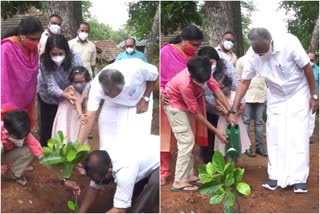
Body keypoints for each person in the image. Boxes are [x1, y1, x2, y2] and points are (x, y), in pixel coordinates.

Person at [230, 28, 318, 193]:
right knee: (274, 133)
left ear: (270, 42)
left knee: (297, 134)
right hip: (276, 95)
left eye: (263, 51)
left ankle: (298, 178)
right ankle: (275, 176)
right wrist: (234, 107)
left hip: (298, 92)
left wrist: (313, 96)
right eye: (258, 52)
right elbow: (244, 82)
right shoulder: (252, 55)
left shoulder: (289, 42)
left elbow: (307, 68)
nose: (260, 55)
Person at [163, 56, 232, 192]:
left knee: (190, 141)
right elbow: (196, 112)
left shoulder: (205, 72)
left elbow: (216, 90)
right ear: (190, 73)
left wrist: (230, 111)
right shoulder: (185, 84)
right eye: (199, 81)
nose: (202, 84)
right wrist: (216, 132)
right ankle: (178, 181)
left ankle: (188, 176)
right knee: (186, 141)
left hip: (184, 106)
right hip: (175, 107)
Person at [77, 58, 158, 150]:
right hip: (113, 104)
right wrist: (78, 146)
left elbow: (154, 76)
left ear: (123, 84)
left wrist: (145, 98)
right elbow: (90, 116)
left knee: (137, 137)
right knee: (107, 136)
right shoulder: (96, 87)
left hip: (140, 97)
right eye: (106, 92)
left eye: (112, 92)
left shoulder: (136, 69)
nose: (109, 94)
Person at [160, 25, 204, 186]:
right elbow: (159, 76)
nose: (197, 48)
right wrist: (161, 89)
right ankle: (164, 172)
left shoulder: (193, 57)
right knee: (166, 139)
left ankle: (189, 172)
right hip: (169, 99)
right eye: (194, 45)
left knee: (188, 137)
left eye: (199, 45)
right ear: (184, 41)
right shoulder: (166, 52)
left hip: (189, 101)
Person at [78, 135, 159, 213]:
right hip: (142, 158)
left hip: (158, 159)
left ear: (109, 171)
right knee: (130, 194)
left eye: (100, 180)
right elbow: (93, 189)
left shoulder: (124, 170)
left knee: (155, 183)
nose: (98, 183)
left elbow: (120, 210)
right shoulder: (101, 158)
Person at [37, 34, 83, 147]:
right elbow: (51, 86)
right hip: (48, 96)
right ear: (48, 53)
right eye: (53, 54)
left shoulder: (75, 58)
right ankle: (47, 151)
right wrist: (64, 94)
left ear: (66, 51)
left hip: (69, 94)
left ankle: (64, 148)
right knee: (48, 125)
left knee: (66, 122)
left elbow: (79, 76)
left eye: (61, 54)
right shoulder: (43, 61)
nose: (57, 57)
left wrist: (72, 89)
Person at [197, 46, 240, 163]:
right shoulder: (200, 69)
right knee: (210, 138)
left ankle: (230, 163)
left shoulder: (226, 66)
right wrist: (214, 105)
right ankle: (209, 163)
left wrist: (232, 107)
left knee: (229, 137)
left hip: (228, 107)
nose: (210, 66)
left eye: (211, 62)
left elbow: (237, 86)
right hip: (210, 109)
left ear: (216, 59)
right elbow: (204, 92)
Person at [1, 16, 43, 127]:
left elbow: (32, 74)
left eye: (38, 39)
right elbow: (3, 78)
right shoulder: (7, 48)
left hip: (26, 100)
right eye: (32, 39)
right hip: (8, 99)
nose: (36, 42)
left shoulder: (33, 50)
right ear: (21, 34)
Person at [1, 109, 44, 186]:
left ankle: (12, 174)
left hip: (4, 156)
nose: (20, 139)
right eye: (17, 137)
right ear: (9, 131)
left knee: (30, 150)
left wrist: (63, 179)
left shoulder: (22, 132)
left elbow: (39, 152)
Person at [235, 55, 268, 157]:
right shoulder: (242, 60)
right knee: (246, 121)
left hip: (261, 94)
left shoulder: (265, 59)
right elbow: (238, 79)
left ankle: (259, 147)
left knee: (259, 121)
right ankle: (247, 147)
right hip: (247, 95)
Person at [213, 75, 251, 158]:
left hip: (237, 122)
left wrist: (237, 112)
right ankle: (225, 167)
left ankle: (234, 166)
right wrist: (221, 110)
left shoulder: (236, 96)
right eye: (219, 89)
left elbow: (243, 107)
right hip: (223, 123)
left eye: (222, 88)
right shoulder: (218, 98)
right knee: (223, 145)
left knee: (236, 143)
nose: (221, 91)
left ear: (229, 86)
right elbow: (219, 107)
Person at [51, 66, 91, 143]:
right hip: (66, 114)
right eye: (76, 82)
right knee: (65, 130)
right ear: (72, 81)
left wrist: (87, 114)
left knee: (75, 131)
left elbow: (86, 101)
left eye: (81, 82)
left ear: (86, 80)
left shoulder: (87, 89)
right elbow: (76, 101)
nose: (78, 84)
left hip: (77, 113)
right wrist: (80, 115)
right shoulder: (70, 89)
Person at [307, 51, 319, 142]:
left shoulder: (318, 70)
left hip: (313, 95)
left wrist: (317, 98)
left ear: (315, 60)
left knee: (311, 116)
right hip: (300, 95)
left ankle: (309, 136)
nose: (310, 61)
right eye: (308, 59)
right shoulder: (299, 68)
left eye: (312, 60)